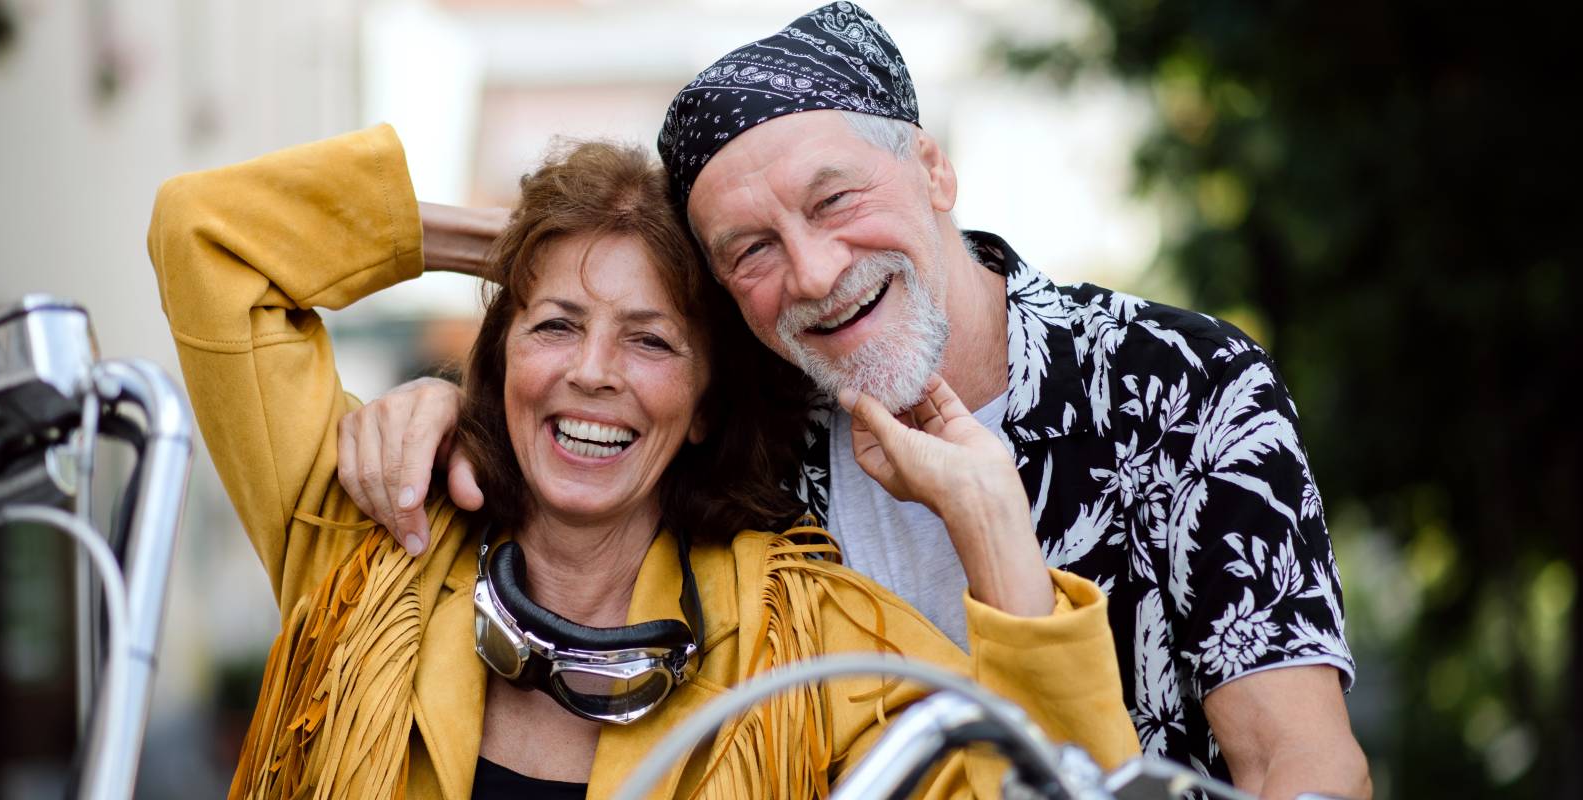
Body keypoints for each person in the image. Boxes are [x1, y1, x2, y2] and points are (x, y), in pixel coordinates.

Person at [337, 4, 1370, 797]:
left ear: (932, 168)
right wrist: (454, 393)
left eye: (836, 200)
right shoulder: (751, 426)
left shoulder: (1180, 385)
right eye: (751, 250)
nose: (817, 270)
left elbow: (1302, 764)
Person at [147, 125, 1139, 798]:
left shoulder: (819, 647)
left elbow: (1053, 784)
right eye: (554, 323)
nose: (590, 372)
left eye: (650, 340)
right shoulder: (367, 526)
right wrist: (527, 239)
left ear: (706, 405)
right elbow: (208, 234)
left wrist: (997, 531)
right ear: (499, 364)